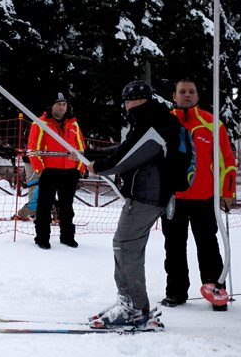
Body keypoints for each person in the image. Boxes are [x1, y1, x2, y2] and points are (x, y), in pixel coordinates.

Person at [87, 80, 180, 329]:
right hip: (149, 194)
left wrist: (101, 166)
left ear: (141, 99)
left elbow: (131, 154)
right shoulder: (153, 119)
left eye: (130, 100)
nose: (127, 105)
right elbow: (131, 148)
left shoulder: (152, 121)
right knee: (124, 245)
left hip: (147, 196)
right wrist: (98, 155)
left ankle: (134, 308)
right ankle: (128, 300)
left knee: (126, 246)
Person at [160, 78, 236, 311]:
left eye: (191, 91)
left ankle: (215, 291)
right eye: (181, 91)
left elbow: (227, 161)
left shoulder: (213, 124)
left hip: (204, 198)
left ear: (198, 96)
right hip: (174, 198)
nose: (186, 95)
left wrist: (227, 191)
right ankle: (176, 291)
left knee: (208, 246)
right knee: (174, 247)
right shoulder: (164, 123)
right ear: (174, 96)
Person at [29, 93, 86, 249]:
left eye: (64, 104)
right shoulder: (40, 124)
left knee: (67, 206)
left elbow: (81, 148)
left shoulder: (73, 124)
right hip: (49, 171)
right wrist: (40, 169)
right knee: (44, 205)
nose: (62, 107)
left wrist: (80, 167)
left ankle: (67, 236)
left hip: (70, 171)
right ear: (51, 106)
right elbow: (33, 149)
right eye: (58, 104)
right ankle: (42, 238)